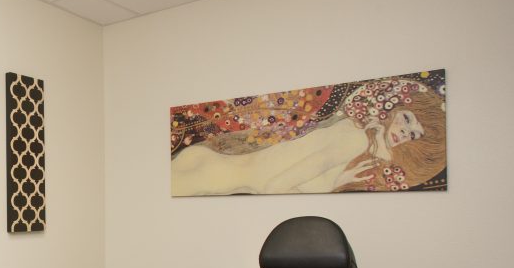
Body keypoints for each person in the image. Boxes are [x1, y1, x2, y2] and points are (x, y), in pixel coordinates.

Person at [169, 73, 446, 196]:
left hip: (208, 165)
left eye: (414, 134)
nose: (405, 132)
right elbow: (273, 187)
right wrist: (338, 183)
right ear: (394, 106)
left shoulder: (354, 132)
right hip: (210, 175)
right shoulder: (356, 139)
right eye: (407, 119)